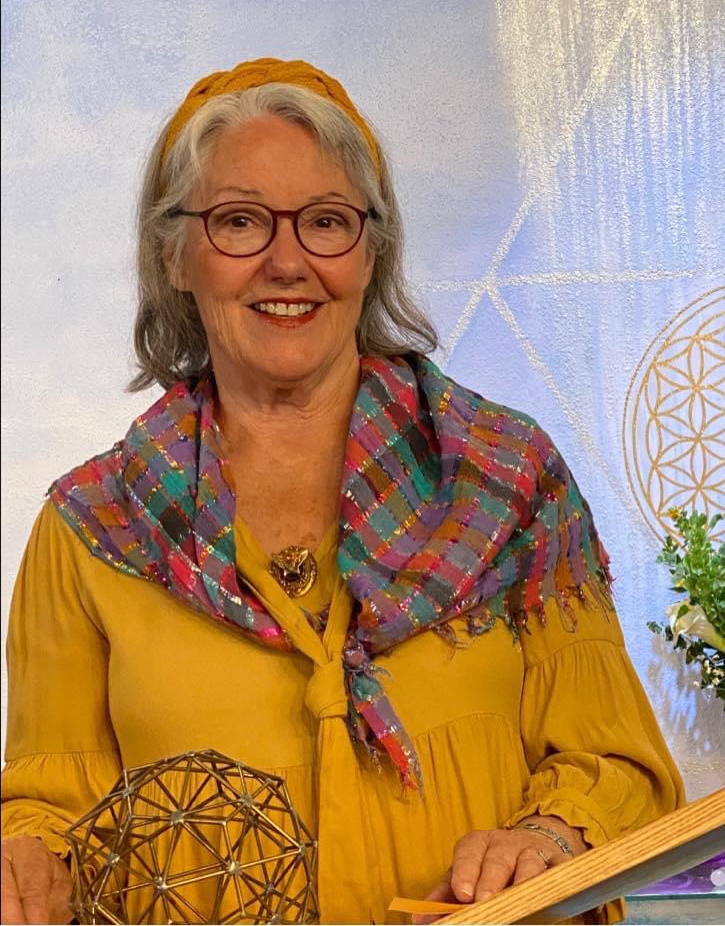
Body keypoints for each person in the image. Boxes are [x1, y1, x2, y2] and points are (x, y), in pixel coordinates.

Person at [0, 58, 683, 925]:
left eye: (326, 221)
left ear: (371, 252)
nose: (287, 262)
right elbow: (51, 812)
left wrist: (549, 838)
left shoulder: (509, 479)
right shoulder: (91, 528)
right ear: (174, 255)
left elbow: (618, 766)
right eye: (239, 221)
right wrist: (30, 862)